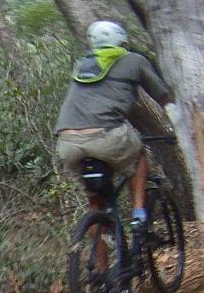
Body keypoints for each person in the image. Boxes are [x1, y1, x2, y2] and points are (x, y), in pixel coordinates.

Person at [54, 20, 173, 229]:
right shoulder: (134, 60)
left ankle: (101, 262)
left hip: (67, 143)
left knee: (96, 207)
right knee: (138, 156)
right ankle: (139, 214)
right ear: (121, 39)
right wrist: (177, 123)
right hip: (105, 137)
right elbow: (163, 97)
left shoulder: (83, 64)